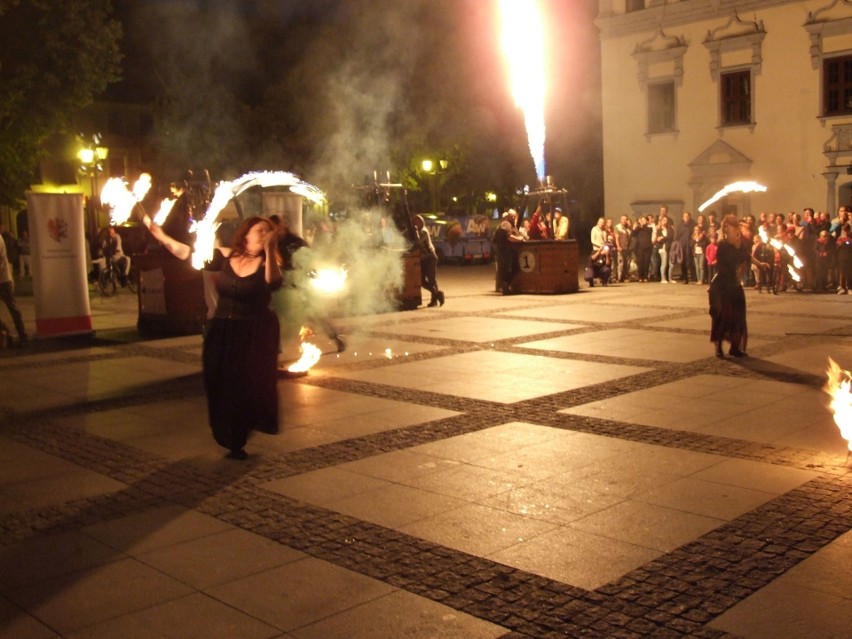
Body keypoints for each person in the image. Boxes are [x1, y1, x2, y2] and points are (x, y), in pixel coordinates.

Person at [148, 216, 282, 460]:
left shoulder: (267, 262)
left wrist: (271, 250)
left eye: (269, 232)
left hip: (251, 334)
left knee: (244, 385)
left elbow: (273, 283)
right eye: (260, 230)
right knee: (219, 382)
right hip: (221, 330)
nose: (265, 235)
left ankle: (238, 437)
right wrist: (162, 237)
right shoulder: (226, 256)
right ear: (246, 233)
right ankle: (227, 433)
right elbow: (188, 253)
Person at [708, 214, 769, 358]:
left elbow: (746, 255)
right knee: (722, 316)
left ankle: (735, 347)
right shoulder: (723, 244)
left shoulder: (739, 243)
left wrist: (760, 264)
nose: (734, 230)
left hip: (734, 284)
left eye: (735, 227)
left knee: (738, 316)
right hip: (722, 284)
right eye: (730, 227)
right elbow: (728, 259)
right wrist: (737, 242)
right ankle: (718, 346)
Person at [0, 231, 27, 347]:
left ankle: (22, 334)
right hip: (3, 278)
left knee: (12, 307)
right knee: (12, 307)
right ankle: (6, 332)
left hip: (3, 279)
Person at [413, 215, 444, 307]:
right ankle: (437, 294)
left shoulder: (424, 232)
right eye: (414, 222)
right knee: (421, 281)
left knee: (431, 280)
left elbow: (418, 242)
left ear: (422, 222)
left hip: (430, 257)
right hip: (423, 259)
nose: (415, 224)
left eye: (417, 222)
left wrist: (415, 231)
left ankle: (434, 300)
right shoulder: (417, 231)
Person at [493, 209, 524, 294]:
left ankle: (504, 286)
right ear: (509, 216)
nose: (514, 218)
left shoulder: (511, 224)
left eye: (515, 216)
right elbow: (509, 237)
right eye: (512, 216)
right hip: (504, 252)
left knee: (511, 268)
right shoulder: (506, 224)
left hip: (509, 251)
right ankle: (503, 287)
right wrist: (520, 239)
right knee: (506, 269)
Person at [653, 215, 673, 283]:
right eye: (663, 220)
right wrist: (661, 238)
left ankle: (670, 278)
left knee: (670, 264)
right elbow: (658, 239)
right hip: (662, 248)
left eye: (666, 220)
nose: (665, 222)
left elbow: (670, 237)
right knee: (664, 263)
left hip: (669, 247)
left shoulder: (669, 229)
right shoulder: (658, 230)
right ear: (661, 221)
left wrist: (663, 238)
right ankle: (663, 278)